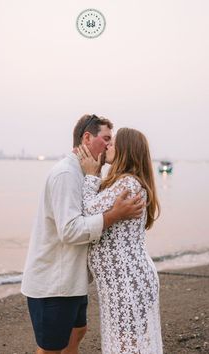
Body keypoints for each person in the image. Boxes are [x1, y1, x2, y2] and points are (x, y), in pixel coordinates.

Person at [21, 115, 144, 354]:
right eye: (106, 139)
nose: (109, 146)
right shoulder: (66, 174)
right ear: (87, 138)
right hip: (53, 282)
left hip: (72, 279)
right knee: (51, 348)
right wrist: (114, 215)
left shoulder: (86, 174)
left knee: (78, 332)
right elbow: (69, 231)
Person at [77, 127, 163, 354]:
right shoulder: (125, 183)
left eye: (113, 144)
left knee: (126, 346)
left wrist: (91, 176)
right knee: (127, 344)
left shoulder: (128, 184)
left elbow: (88, 211)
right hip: (123, 280)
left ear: (126, 150)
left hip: (127, 280)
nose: (107, 146)